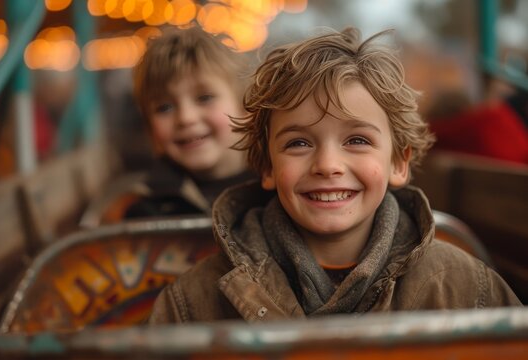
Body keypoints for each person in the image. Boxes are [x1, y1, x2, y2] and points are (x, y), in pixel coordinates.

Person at [148, 27, 521, 324]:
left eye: (357, 140)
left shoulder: (467, 289)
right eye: (298, 144)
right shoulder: (193, 304)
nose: (328, 164)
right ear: (266, 167)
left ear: (398, 163)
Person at [128, 27, 256, 218]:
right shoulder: (144, 214)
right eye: (164, 108)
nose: (186, 118)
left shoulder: (285, 193)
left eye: (204, 98)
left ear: (245, 106)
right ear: (150, 127)